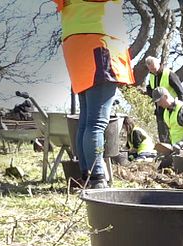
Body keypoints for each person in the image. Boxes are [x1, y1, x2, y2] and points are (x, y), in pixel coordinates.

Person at [54, 0, 134, 188]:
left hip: (76, 45)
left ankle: (87, 175)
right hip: (100, 41)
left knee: (86, 120)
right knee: (97, 122)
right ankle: (98, 178)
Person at [143, 56, 183, 144]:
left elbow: (181, 92)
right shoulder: (152, 76)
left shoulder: (169, 74)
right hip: (160, 109)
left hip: (172, 108)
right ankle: (165, 151)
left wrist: (180, 107)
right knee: (162, 133)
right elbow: (150, 88)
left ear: (159, 64)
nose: (153, 71)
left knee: (173, 130)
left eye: (154, 69)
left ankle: (176, 149)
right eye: (151, 70)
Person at [152, 88, 183, 161]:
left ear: (165, 97)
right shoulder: (166, 113)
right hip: (177, 150)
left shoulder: (182, 109)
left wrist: (181, 143)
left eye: (159, 101)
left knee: (170, 161)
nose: (158, 104)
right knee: (159, 160)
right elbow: (170, 134)